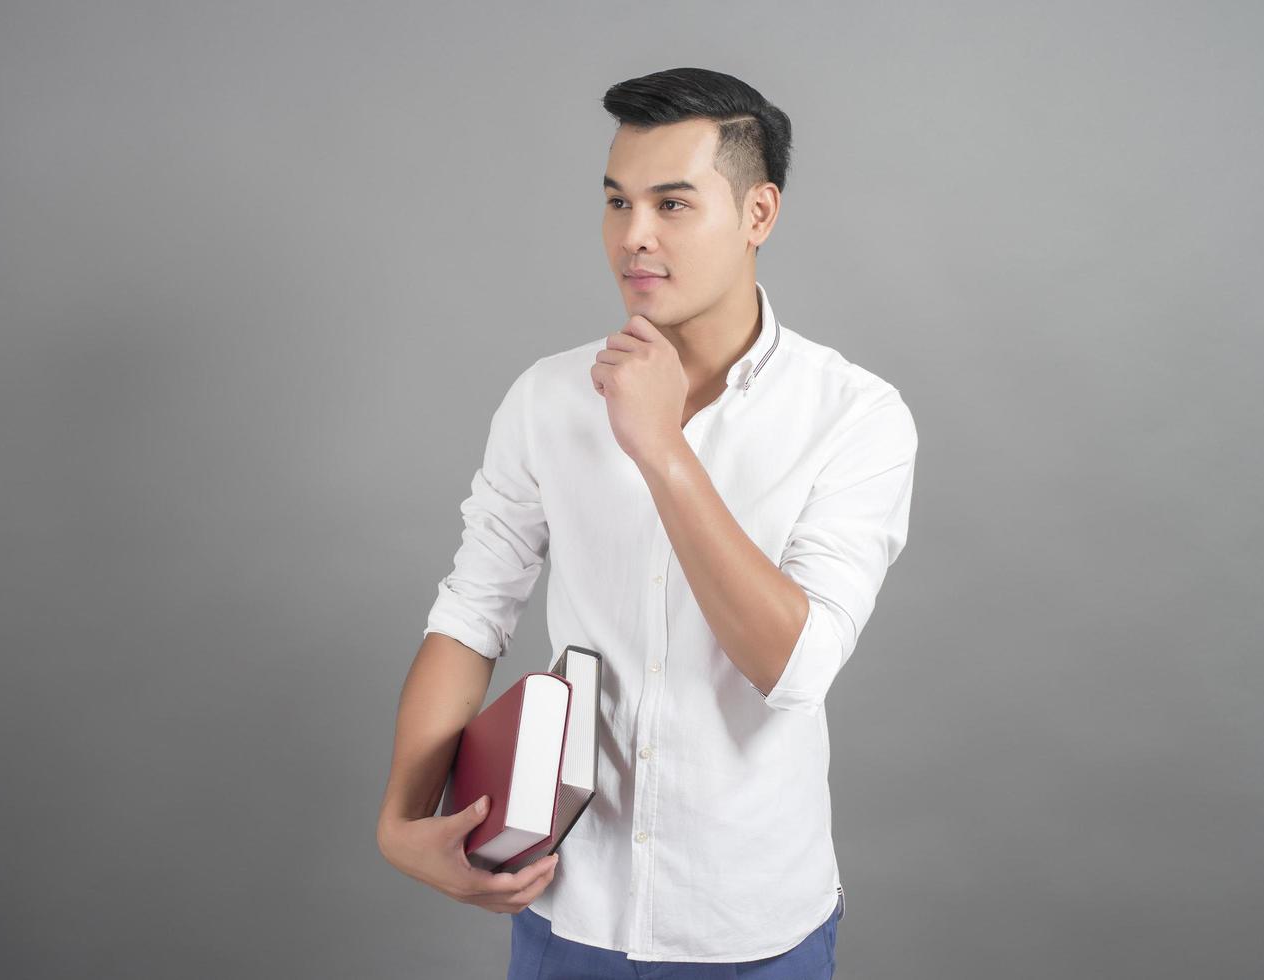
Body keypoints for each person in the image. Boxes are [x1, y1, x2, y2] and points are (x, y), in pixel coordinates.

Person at [376, 66, 917, 979]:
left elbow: (794, 667)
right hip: (565, 906)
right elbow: (471, 612)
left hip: (752, 925)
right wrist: (400, 824)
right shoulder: (547, 398)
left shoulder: (856, 416)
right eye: (617, 202)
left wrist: (662, 449)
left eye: (673, 204)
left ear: (758, 214)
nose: (634, 238)